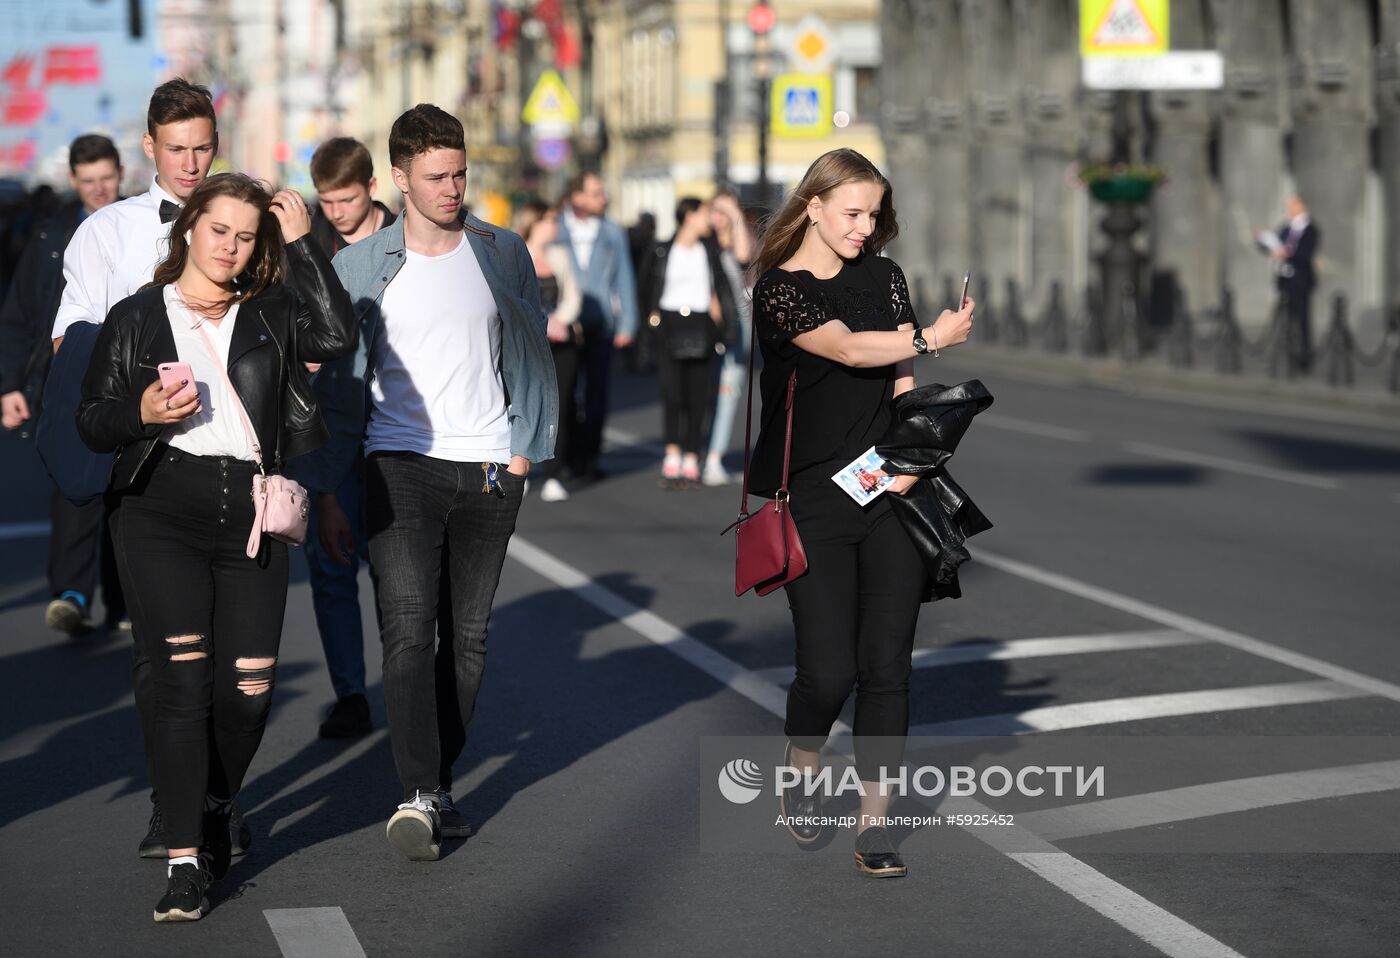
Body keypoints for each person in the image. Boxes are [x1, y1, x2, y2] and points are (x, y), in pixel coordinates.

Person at [77, 173, 356, 921]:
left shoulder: (271, 311)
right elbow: (92, 419)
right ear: (189, 229)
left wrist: (304, 246)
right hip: (159, 508)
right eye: (218, 230)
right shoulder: (139, 314)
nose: (230, 246)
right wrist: (140, 410)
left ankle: (216, 802)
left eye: (245, 236)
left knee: (249, 692)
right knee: (184, 682)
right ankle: (184, 861)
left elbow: (337, 337)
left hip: (250, 511)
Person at [291, 104, 556, 862]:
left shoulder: (502, 251)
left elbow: (532, 352)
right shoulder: (359, 265)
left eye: (460, 174)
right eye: (436, 176)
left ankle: (437, 784)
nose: (452, 188)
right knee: (409, 630)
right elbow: (338, 389)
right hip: (397, 461)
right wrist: (329, 488)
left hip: (489, 467)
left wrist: (523, 455)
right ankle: (418, 792)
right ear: (400, 179)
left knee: (466, 641)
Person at [749, 148, 974, 879]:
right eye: (852, 213)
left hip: (889, 489)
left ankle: (875, 827)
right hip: (813, 496)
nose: (865, 227)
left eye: (874, 214)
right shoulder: (779, 291)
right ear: (813, 206)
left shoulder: (885, 276)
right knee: (828, 671)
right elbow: (847, 350)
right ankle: (802, 765)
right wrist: (931, 337)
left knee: (887, 668)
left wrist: (913, 459)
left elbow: (901, 379)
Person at [49, 78, 223, 861]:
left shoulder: (243, 220)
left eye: (202, 148)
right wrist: (136, 391)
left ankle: (218, 794)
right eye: (176, 149)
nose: (189, 164)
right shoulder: (106, 233)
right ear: (149, 147)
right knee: (163, 651)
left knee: (235, 659)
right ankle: (175, 807)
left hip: (234, 460)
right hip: (144, 467)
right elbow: (70, 345)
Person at [0, 133, 126, 634]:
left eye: (107, 177)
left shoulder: (141, 225)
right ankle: (71, 594)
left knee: (128, 490)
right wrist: (10, 385)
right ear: (73, 180)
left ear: (120, 173)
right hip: (66, 378)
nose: (99, 188)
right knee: (74, 485)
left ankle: (124, 602)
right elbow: (19, 316)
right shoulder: (51, 239)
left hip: (129, 377)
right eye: (89, 180)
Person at [295, 136, 398, 740]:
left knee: (397, 573)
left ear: (372, 187)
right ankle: (351, 695)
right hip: (331, 434)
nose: (335, 212)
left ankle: (404, 687)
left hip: (396, 433)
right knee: (332, 570)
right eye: (326, 201)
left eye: (346, 199)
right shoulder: (312, 249)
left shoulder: (409, 243)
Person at [637, 197, 736, 487]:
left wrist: (723, 323)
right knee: (672, 393)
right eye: (705, 213)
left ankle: (692, 457)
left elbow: (721, 287)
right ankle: (672, 456)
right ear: (689, 215)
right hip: (669, 322)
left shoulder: (709, 250)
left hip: (702, 323)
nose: (709, 220)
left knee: (699, 395)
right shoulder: (662, 249)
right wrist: (650, 318)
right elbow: (646, 286)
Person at [556, 170, 638, 481]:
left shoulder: (612, 232)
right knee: (565, 394)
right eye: (595, 193)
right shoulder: (557, 227)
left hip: (601, 322)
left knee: (597, 394)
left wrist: (627, 324)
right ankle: (565, 457)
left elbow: (624, 279)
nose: (603, 198)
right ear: (577, 196)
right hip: (564, 324)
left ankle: (589, 458)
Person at [523, 204, 583, 503]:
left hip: (561, 343)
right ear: (534, 222)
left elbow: (573, 295)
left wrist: (560, 320)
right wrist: (540, 324)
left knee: (558, 409)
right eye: (549, 220)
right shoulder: (516, 252)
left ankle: (553, 475)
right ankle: (520, 470)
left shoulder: (560, 255)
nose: (555, 225)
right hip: (527, 345)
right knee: (525, 407)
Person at [702, 189, 756, 486]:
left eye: (726, 211)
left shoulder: (740, 241)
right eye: (716, 210)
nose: (719, 217)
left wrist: (735, 216)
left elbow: (744, 256)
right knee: (703, 391)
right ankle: (695, 452)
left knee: (728, 389)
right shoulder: (702, 242)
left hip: (737, 324)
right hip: (706, 326)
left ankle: (714, 457)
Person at [1258, 195, 1320, 373]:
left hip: (1301, 281)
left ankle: (1304, 356)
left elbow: (1305, 254)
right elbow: (1274, 244)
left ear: (1301, 206)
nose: (1289, 209)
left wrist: (1288, 253)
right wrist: (1264, 242)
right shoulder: (1286, 228)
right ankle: (1286, 353)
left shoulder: (1310, 229)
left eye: (1292, 206)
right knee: (1285, 318)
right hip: (1284, 279)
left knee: (1302, 319)